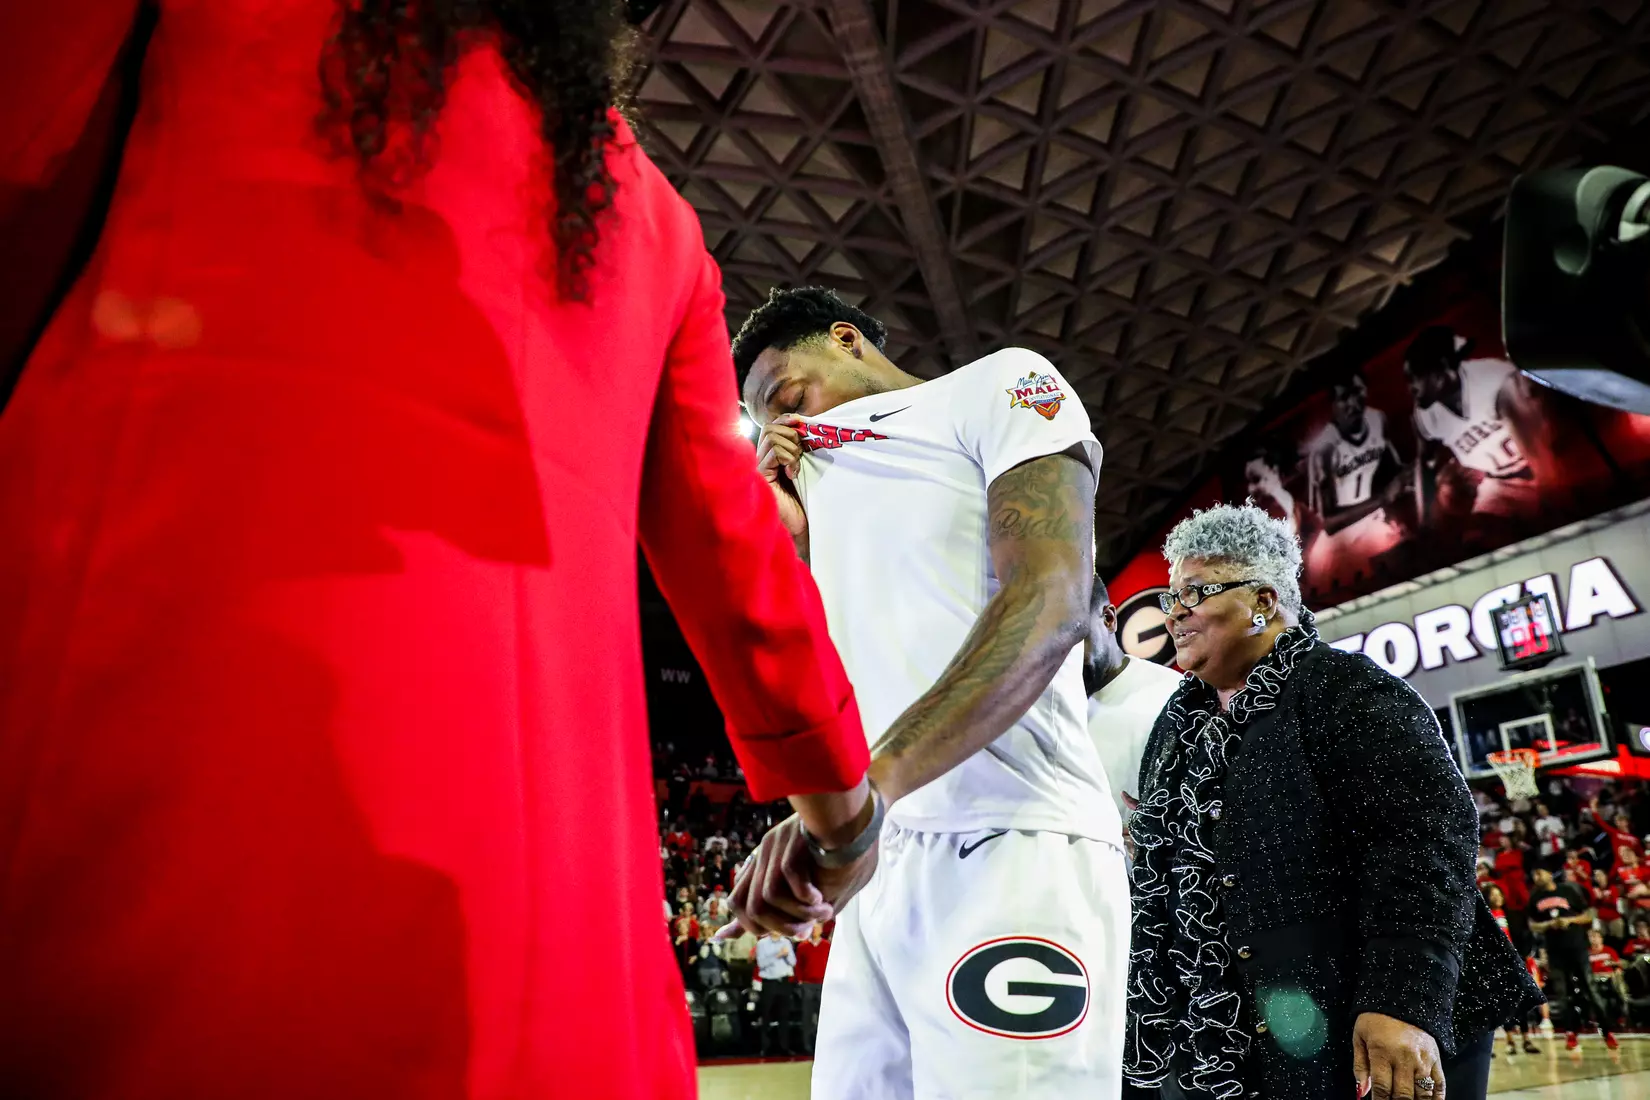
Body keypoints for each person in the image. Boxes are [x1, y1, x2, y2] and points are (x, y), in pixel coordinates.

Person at [0, 5, 882, 1097]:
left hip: (137, 823)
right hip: (546, 954)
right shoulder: (656, 223)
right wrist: (841, 811)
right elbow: (736, 552)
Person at [730, 287, 1128, 1099]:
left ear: (846, 340)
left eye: (790, 398)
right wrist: (786, 537)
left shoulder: (998, 384)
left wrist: (861, 792)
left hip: (1013, 844)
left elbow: (1051, 601)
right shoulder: (818, 489)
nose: (786, 429)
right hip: (881, 868)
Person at [1125, 503, 1541, 1100]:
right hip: (1243, 1031)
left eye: (1195, 592)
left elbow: (1425, 842)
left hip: (1368, 1020)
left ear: (1264, 602)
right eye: (1172, 597)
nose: (1176, 614)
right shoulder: (1177, 722)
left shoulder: (1346, 689)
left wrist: (1402, 1002)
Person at [1403, 327, 1541, 539]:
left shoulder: (1495, 376)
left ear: (1441, 369)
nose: (1410, 388)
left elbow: (1550, 419)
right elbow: (1425, 462)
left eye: (1415, 378)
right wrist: (1426, 521)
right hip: (1498, 483)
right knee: (1478, 540)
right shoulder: (1425, 415)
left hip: (1540, 467)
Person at [1082, 574, 1181, 845]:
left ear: (1108, 619)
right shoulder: (1046, 709)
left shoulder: (1172, 698)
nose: (1062, 651)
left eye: (1074, 632)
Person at [1302, 370, 1408, 592]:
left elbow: (1396, 467)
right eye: (1343, 398)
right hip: (1337, 545)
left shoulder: (1377, 419)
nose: (1352, 403)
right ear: (1333, 405)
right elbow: (1330, 523)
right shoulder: (1325, 449)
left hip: (1370, 521)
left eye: (1357, 393)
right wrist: (1382, 499)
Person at [1529, 867, 1618, 1050]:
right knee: (1563, 994)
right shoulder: (1535, 898)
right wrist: (1549, 924)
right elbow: (1533, 925)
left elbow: (1589, 915)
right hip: (1555, 951)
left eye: (1539, 873)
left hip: (1577, 947)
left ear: (1548, 872)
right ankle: (1571, 1032)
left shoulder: (1568, 890)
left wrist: (1569, 921)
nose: (1537, 877)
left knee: (1590, 988)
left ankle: (1607, 1030)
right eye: (1534, 875)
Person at [1485, 886, 1542, 1056]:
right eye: (1493, 895)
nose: (1497, 898)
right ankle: (1510, 1040)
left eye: (1499, 894)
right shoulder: (1486, 918)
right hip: (1496, 964)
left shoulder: (1512, 915)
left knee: (1522, 1001)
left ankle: (1526, 1039)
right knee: (1504, 1003)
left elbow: (1523, 936)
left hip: (1514, 962)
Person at [753, 931, 799, 1057]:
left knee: (784, 1016)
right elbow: (761, 963)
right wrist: (777, 955)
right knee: (766, 1015)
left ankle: (784, 1047)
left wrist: (787, 954)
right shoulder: (762, 943)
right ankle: (765, 1048)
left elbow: (793, 962)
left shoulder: (786, 942)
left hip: (784, 982)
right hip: (769, 983)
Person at [793, 923, 832, 1054]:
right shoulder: (803, 946)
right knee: (807, 1017)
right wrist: (800, 981)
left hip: (824, 985)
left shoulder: (827, 946)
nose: (815, 930)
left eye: (817, 928)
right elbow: (798, 965)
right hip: (808, 985)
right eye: (813, 928)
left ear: (821, 930)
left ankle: (824, 1045)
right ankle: (807, 1045)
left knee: (825, 1017)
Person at [1593, 869, 1626, 941]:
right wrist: (1598, 898)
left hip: (1614, 919)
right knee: (1603, 940)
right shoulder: (1595, 890)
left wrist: (1602, 897)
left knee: (1617, 940)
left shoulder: (1613, 888)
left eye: (1600, 875)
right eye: (1596, 876)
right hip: (1601, 919)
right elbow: (1594, 906)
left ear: (1606, 876)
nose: (1598, 877)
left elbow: (1614, 903)